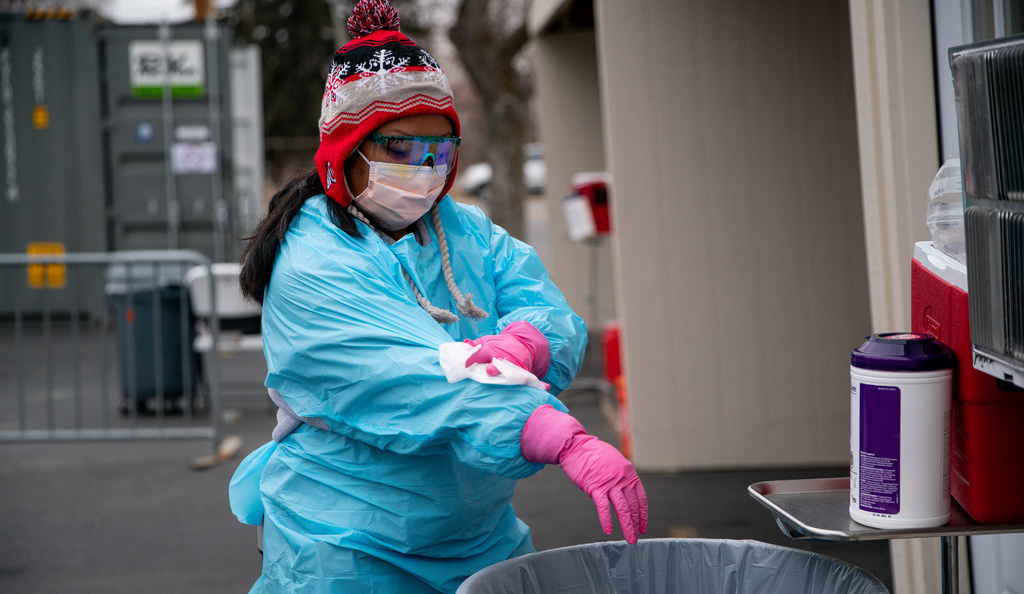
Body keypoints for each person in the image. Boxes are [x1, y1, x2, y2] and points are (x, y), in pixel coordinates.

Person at [228, 1, 648, 592]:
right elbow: (415, 381)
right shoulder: (312, 262)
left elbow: (548, 309)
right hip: (349, 542)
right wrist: (558, 434)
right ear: (345, 151)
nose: (423, 171)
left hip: (479, 532)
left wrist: (527, 343)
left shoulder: (463, 230)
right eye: (400, 150)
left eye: (440, 151)